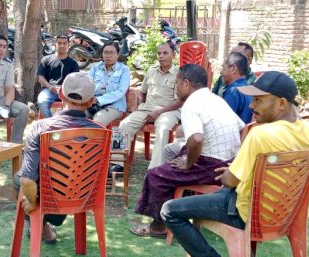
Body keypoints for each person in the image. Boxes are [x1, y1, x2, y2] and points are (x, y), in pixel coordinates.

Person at [161, 71, 309, 257]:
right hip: (286, 213)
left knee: (169, 210)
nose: (252, 105)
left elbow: (229, 181)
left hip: (247, 212)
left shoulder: (260, 134)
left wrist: (230, 173)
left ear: (282, 104)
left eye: (259, 100)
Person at [130, 64, 244, 238]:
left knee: (156, 176)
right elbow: (242, 129)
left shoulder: (191, 104)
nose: (175, 88)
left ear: (186, 83)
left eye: (177, 83)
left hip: (211, 165)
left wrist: (188, 164)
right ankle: (179, 213)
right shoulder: (216, 99)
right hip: (228, 163)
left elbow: (196, 139)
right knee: (173, 155)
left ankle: (159, 226)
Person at [16, 72, 105, 244]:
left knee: (19, 180)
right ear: (91, 101)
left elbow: (27, 181)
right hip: (85, 195)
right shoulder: (101, 132)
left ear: (61, 94)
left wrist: (32, 203)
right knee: (67, 178)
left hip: (49, 197)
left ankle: (41, 224)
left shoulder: (40, 128)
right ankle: (48, 223)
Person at [118, 43, 182, 171]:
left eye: (165, 53)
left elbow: (180, 100)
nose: (161, 56)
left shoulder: (179, 74)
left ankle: (154, 169)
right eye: (159, 53)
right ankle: (118, 164)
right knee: (124, 125)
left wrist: (159, 112)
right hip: (148, 109)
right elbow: (143, 91)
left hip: (169, 110)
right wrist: (143, 103)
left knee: (163, 129)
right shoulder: (151, 70)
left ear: (173, 55)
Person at [87, 42, 131, 126]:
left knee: (98, 121)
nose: (108, 55)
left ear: (118, 55)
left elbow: (121, 91)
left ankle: (96, 139)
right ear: (102, 54)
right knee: (76, 116)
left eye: (112, 53)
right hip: (92, 103)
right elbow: (87, 85)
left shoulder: (124, 69)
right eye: (105, 52)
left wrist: (98, 99)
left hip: (114, 106)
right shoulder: (96, 68)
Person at [36, 35, 80, 118]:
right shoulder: (46, 60)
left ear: (68, 45)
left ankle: (67, 127)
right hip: (50, 90)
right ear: (55, 45)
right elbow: (40, 78)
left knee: (76, 106)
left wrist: (64, 89)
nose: (62, 46)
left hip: (67, 92)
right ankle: (51, 124)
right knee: (41, 102)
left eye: (64, 43)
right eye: (59, 43)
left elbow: (76, 81)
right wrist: (50, 87)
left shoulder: (73, 63)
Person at [219, 51, 254, 123]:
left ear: (233, 69)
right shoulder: (248, 88)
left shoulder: (233, 92)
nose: (221, 72)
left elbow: (224, 123)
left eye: (223, 67)